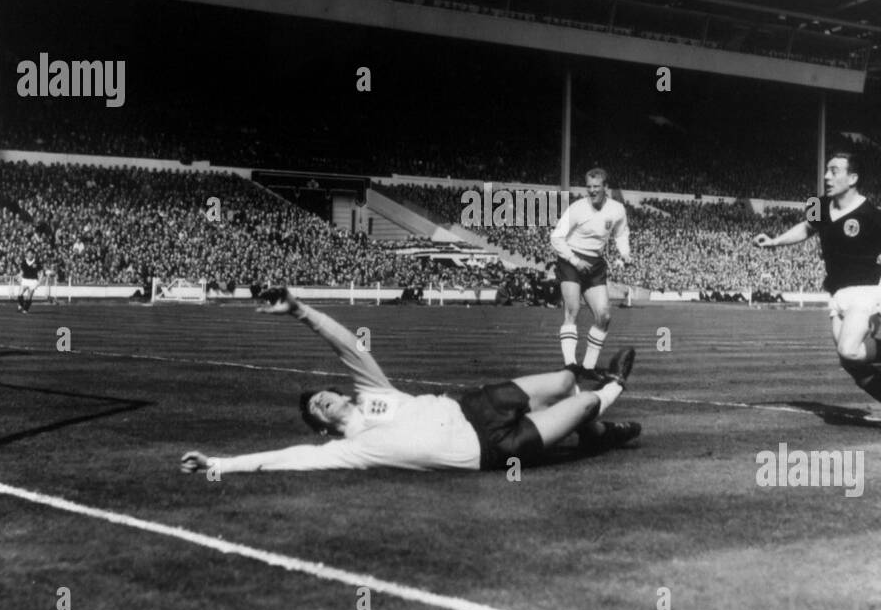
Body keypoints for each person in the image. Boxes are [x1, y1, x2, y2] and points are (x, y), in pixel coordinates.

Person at [180, 287, 639, 476]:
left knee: (563, 380)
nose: (324, 403)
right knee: (582, 404)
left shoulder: (373, 395)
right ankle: (613, 392)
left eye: (323, 396)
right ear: (323, 426)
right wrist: (221, 462)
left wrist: (303, 312)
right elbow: (287, 458)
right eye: (318, 410)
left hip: (475, 406)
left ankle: (598, 432)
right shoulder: (347, 449)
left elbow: (348, 348)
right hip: (489, 450)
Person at [754, 152, 881, 433]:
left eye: (834, 171)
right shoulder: (818, 204)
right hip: (838, 294)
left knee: (849, 348)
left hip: (868, 292)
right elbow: (807, 228)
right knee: (851, 362)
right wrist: (774, 242)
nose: (827, 177)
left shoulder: (871, 214)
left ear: (853, 178)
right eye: (827, 171)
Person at [551, 168, 630, 379]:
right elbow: (556, 237)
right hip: (571, 260)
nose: (592, 190)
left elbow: (621, 234)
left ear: (606, 187)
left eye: (596, 186)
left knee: (604, 315)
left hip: (595, 263)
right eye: (589, 187)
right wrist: (575, 260)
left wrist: (625, 254)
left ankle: (587, 367)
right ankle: (570, 367)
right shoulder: (577, 208)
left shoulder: (617, 210)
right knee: (572, 310)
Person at [17, 249, 42, 313]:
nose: (29, 255)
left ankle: (25, 309)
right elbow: (22, 271)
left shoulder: (37, 262)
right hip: (25, 279)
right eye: (28, 253)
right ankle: (21, 305)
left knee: (29, 295)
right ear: (26, 254)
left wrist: (39, 281)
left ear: (33, 254)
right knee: (20, 295)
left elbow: (41, 272)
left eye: (31, 253)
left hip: (33, 280)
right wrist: (19, 277)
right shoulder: (24, 262)